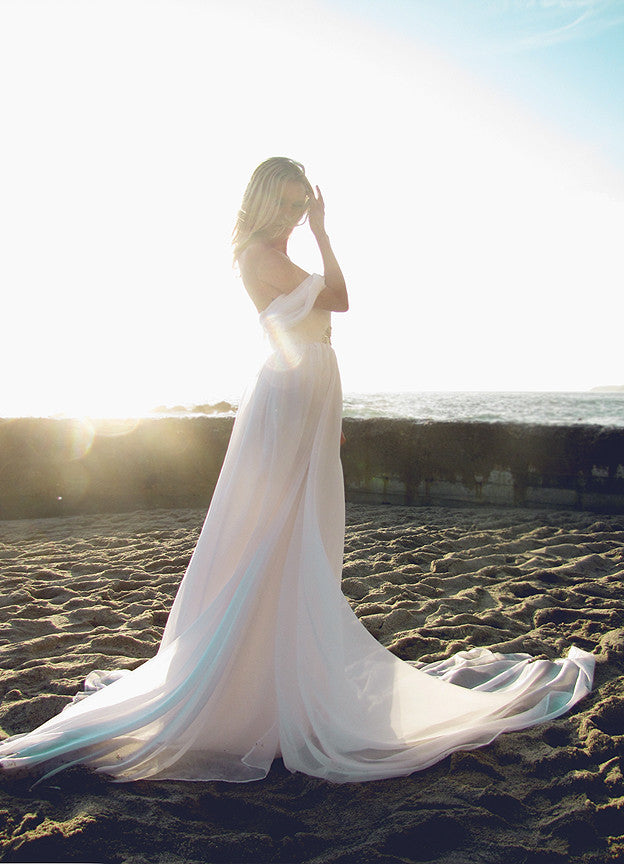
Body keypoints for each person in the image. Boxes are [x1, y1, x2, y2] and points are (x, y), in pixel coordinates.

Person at [0, 157, 594, 784]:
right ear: (262, 204)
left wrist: (326, 415)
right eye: (283, 203)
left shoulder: (275, 257)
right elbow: (339, 298)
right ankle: (250, 684)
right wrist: (323, 231)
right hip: (286, 401)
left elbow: (320, 330)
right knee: (270, 535)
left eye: (297, 204)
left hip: (306, 398)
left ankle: (280, 670)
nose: (291, 214)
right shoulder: (259, 253)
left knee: (295, 535)